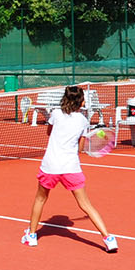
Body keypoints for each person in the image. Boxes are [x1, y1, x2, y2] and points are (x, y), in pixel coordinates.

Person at [21, 86, 119, 252]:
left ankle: (31, 236)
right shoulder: (83, 121)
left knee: (40, 199)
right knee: (86, 205)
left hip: (51, 166)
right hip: (71, 168)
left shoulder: (55, 114)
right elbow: (80, 149)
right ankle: (109, 239)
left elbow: (49, 132)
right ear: (80, 102)